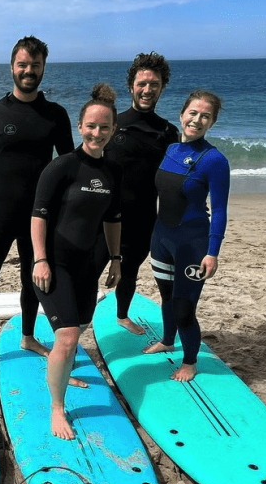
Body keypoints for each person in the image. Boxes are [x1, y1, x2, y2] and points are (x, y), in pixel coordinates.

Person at [0, 36, 74, 379]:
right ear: (12, 67)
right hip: (1, 213)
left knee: (32, 281)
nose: (29, 71)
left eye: (35, 65)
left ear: (43, 69)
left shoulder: (55, 115)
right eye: (23, 64)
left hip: (40, 215)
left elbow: (68, 167)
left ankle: (27, 337)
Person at [31, 84, 123, 440]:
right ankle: (57, 407)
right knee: (68, 337)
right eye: (90, 126)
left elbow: (112, 219)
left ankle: (61, 365)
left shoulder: (113, 172)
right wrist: (40, 260)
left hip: (89, 263)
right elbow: (38, 216)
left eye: (104, 127)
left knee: (80, 325)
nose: (96, 133)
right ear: (80, 127)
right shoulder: (62, 167)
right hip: (54, 262)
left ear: (113, 130)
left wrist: (115, 259)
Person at [142, 90, 230, 382]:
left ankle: (190, 362)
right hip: (161, 238)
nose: (197, 119)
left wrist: (212, 251)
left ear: (212, 123)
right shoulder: (169, 150)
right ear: (182, 115)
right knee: (165, 296)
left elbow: (218, 209)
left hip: (192, 243)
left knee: (184, 307)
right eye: (193, 112)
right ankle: (168, 340)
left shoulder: (214, 160)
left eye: (206, 116)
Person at [96, 51, 179, 334]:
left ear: (162, 88)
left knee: (129, 272)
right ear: (131, 85)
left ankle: (121, 315)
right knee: (88, 272)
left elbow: (172, 179)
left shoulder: (168, 132)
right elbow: (88, 164)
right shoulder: (112, 123)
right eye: (142, 83)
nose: (147, 89)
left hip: (143, 218)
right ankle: (74, 325)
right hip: (103, 217)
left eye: (154, 84)